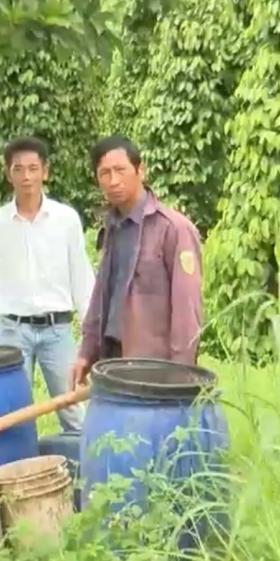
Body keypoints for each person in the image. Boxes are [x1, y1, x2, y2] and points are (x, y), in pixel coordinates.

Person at [0, 136, 95, 432]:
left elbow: (81, 276)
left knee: (74, 411)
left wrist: (91, 330)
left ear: (45, 172)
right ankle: (20, 472)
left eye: (33, 168)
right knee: (12, 413)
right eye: (19, 169)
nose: (26, 176)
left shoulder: (66, 220)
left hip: (58, 330)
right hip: (13, 331)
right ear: (8, 174)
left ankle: (86, 473)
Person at [68, 136, 203, 391]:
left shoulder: (173, 229)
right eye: (104, 173)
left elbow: (188, 310)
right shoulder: (113, 226)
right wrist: (86, 352)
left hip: (154, 368)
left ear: (141, 170)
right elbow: (101, 294)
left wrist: (182, 373)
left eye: (120, 170)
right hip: (113, 362)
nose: (113, 181)